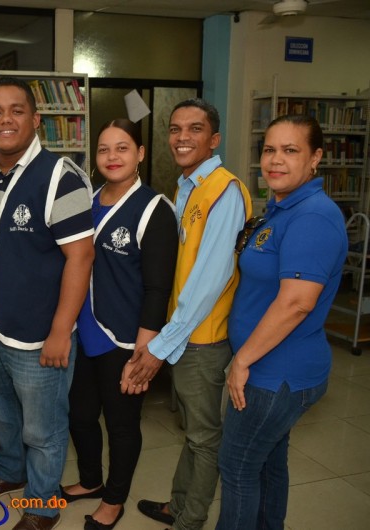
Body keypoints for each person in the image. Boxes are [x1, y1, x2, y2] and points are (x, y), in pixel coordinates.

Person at [0, 76, 94, 530]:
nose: (5, 119)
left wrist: (61, 331)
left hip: (40, 335)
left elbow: (81, 257)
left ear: (36, 119)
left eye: (16, 110)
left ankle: (43, 507)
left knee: (43, 430)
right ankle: (11, 472)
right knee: (3, 414)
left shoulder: (61, 177)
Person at [216, 115, 347, 530]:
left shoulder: (313, 217)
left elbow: (296, 303)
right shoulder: (282, 208)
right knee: (269, 462)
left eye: (291, 151)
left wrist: (242, 361)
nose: (275, 160)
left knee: (237, 466)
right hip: (269, 367)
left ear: (316, 158)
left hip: (275, 373)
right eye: (269, 149)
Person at [129, 99, 251, 530]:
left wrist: (161, 344)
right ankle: (178, 506)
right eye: (175, 129)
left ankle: (190, 520)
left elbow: (210, 278)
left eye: (195, 129)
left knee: (204, 438)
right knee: (192, 433)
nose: (182, 138)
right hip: (184, 333)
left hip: (202, 337)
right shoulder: (186, 186)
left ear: (214, 139)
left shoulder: (224, 190)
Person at [61, 119, 178, 530]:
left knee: (121, 424)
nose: (112, 157)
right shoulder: (87, 200)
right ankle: (91, 480)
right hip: (82, 332)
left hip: (123, 338)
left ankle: (113, 500)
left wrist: (144, 352)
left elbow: (158, 288)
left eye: (122, 148)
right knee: (79, 415)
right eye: (104, 149)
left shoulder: (154, 209)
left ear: (140, 154)